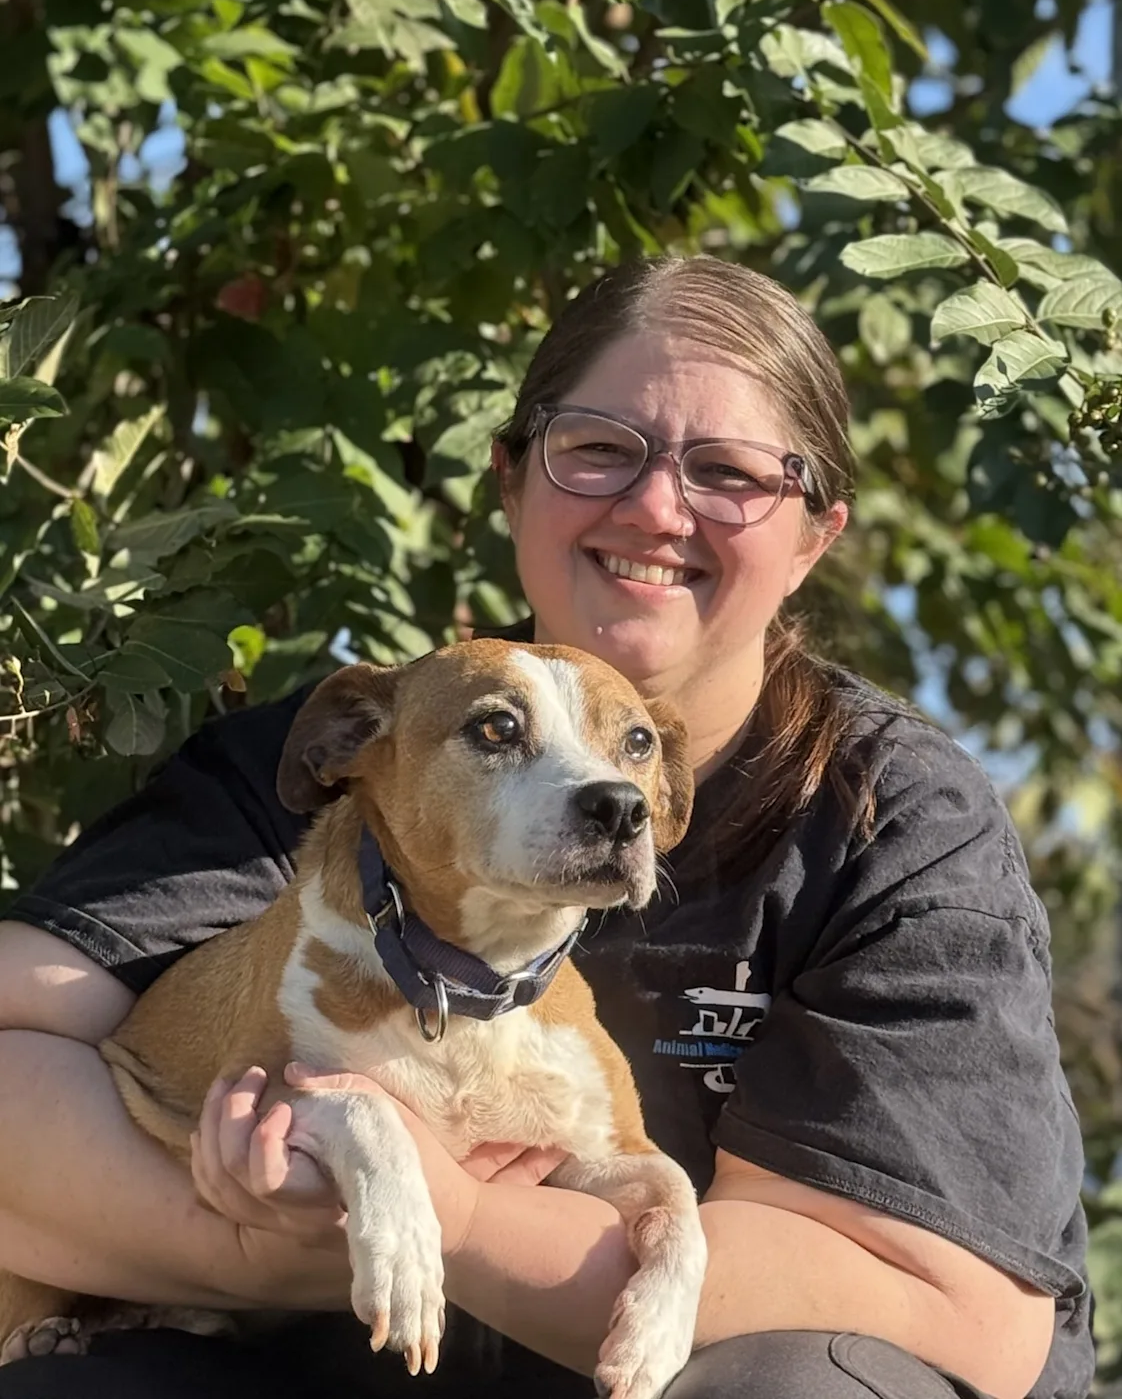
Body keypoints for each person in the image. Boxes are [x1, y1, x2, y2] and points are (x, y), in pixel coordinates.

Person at [0, 256, 1091, 1399]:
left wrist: (454, 1212)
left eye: (728, 472)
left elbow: (963, 1313)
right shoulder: (354, 761)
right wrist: (260, 1223)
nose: (658, 507)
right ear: (512, 481)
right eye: (601, 448)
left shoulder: (894, 821)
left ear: (817, 533)